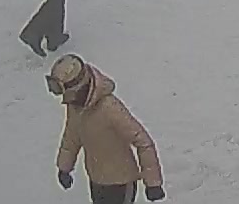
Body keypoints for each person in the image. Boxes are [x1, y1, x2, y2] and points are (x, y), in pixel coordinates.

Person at [47, 54, 165, 204]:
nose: (66, 100)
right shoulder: (75, 107)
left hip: (122, 182)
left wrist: (153, 183)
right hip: (96, 180)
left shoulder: (109, 108)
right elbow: (71, 137)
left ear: (78, 88)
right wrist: (64, 167)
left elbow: (143, 142)